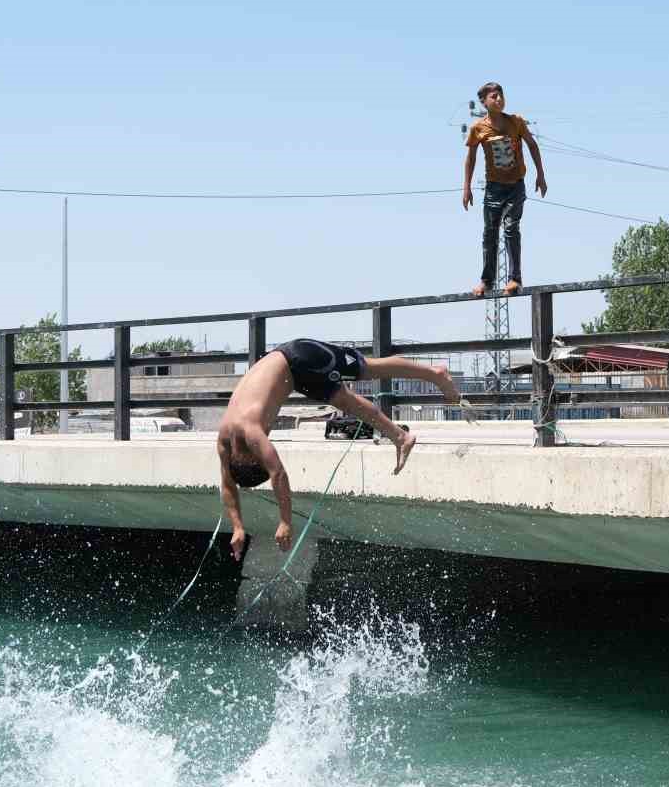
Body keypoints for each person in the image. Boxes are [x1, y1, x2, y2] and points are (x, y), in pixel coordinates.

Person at [217, 339, 461, 561]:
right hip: (294, 374)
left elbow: (277, 473)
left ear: (249, 458)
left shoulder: (250, 431)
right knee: (346, 402)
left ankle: (435, 373)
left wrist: (285, 522)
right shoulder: (225, 440)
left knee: (368, 370)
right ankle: (400, 436)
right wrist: (238, 527)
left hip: (300, 357)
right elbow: (227, 483)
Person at [462, 81, 547, 296]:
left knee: (511, 228)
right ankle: (486, 280)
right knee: (490, 233)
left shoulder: (515, 122)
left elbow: (532, 145)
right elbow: (470, 158)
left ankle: (514, 279)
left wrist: (540, 175)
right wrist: (467, 187)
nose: (498, 99)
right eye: (493, 97)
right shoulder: (478, 128)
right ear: (484, 102)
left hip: (515, 186)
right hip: (493, 188)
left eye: (501, 95)